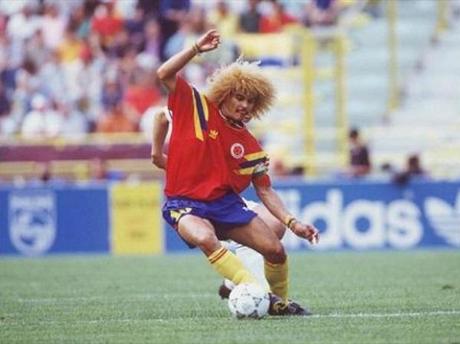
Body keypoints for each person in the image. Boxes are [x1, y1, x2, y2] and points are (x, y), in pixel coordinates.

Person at [155, 29, 319, 316]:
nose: (244, 105)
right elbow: (163, 73)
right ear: (226, 94)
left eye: (251, 102)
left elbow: (265, 190)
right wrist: (195, 48)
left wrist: (294, 223)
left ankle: (279, 304)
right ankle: (250, 288)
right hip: (184, 204)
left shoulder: (250, 146)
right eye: (240, 97)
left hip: (225, 206)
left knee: (276, 250)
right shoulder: (196, 107)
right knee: (205, 238)